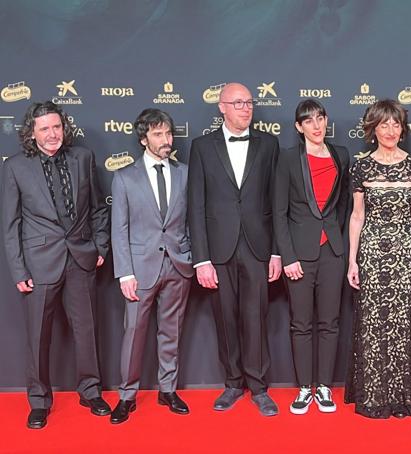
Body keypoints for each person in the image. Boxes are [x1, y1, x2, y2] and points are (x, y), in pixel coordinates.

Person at [1, 101, 110, 429]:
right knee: (38, 336)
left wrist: (100, 245)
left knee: (86, 330)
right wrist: (18, 270)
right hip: (39, 263)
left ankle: (90, 390)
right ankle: (38, 400)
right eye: (44, 129)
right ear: (32, 134)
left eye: (56, 127)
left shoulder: (84, 158)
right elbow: (11, 224)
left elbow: (99, 208)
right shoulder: (16, 167)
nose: (52, 134)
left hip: (81, 258)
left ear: (64, 127)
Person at [187, 82, 282, 416]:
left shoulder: (269, 145)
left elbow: (276, 201)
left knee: (256, 317)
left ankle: (258, 387)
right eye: (238, 102)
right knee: (225, 318)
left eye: (249, 102)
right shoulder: (201, 147)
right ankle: (231, 383)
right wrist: (201, 259)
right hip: (218, 249)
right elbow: (195, 206)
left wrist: (276, 251)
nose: (246, 108)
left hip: (258, 247)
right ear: (221, 107)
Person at [109, 109, 194, 424]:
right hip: (140, 269)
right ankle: (127, 395)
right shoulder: (124, 178)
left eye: (169, 133)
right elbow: (119, 229)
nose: (166, 140)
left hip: (178, 264)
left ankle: (167, 389)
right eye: (158, 134)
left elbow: (192, 220)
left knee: (171, 331)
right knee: (134, 333)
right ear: (144, 139)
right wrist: (125, 273)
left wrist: (192, 256)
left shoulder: (185, 173)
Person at [344, 99, 411, 419]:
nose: (391, 130)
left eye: (396, 124)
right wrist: (353, 261)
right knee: (373, 323)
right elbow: (356, 216)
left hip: (406, 254)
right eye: (384, 125)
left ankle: (401, 396)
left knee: (402, 324)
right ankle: (374, 394)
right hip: (373, 254)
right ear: (373, 129)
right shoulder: (361, 166)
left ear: (403, 129)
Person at [273, 99, 349, 414]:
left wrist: (340, 244)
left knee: (330, 323)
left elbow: (344, 206)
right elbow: (279, 212)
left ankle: (325, 388)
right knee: (301, 323)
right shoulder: (288, 159)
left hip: (332, 251)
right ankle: (305, 387)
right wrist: (288, 257)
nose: (317, 125)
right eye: (309, 120)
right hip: (299, 255)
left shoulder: (341, 155)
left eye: (320, 118)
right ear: (299, 127)